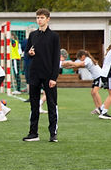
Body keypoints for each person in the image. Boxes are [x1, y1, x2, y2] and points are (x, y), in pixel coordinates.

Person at [22, 9, 60, 142]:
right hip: (34, 74)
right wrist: (29, 53)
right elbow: (26, 53)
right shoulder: (33, 35)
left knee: (51, 104)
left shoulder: (54, 36)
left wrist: (54, 77)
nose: (39, 20)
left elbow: (56, 58)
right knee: (34, 105)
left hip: (49, 75)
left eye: (42, 17)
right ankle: (33, 133)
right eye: (38, 17)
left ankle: (53, 134)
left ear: (48, 19)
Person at [61, 49, 105, 116]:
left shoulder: (87, 59)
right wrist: (67, 66)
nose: (80, 60)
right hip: (96, 78)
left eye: (80, 58)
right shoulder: (86, 60)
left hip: (100, 76)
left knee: (95, 92)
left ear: (83, 56)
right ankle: (98, 108)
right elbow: (77, 66)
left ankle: (101, 109)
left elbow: (79, 64)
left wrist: (69, 63)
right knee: (92, 93)